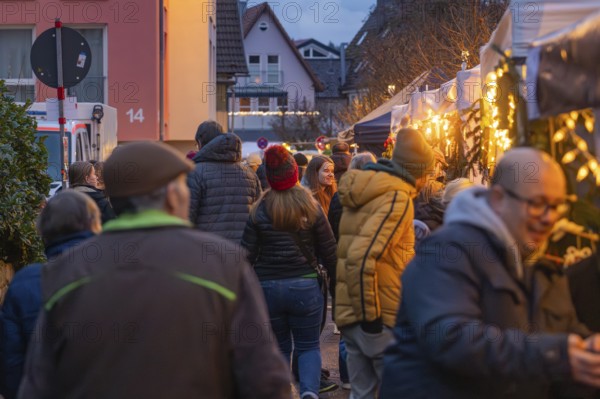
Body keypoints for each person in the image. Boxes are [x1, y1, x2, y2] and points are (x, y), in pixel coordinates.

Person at [18, 141, 291, 398]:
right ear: (172, 195)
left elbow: (38, 385)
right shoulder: (223, 264)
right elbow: (264, 380)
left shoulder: (66, 271)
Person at [381, 147, 600, 398]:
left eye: (557, 207)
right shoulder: (447, 251)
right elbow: (452, 339)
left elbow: (562, 332)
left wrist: (587, 348)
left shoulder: (533, 267)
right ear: (498, 199)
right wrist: (555, 354)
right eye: (538, 204)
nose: (549, 218)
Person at [335, 128, 434, 399]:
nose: (428, 181)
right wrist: (373, 320)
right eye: (427, 173)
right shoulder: (397, 198)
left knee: (363, 393)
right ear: (417, 171)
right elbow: (362, 257)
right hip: (378, 314)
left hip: (352, 312)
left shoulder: (370, 189)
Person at [241, 145, 337, 399]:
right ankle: (309, 392)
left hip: (268, 287)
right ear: (294, 173)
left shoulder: (259, 210)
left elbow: (245, 255)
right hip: (305, 286)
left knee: (279, 347)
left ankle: (282, 393)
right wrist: (338, 286)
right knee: (308, 346)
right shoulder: (311, 205)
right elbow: (329, 250)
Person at [0, 191, 101, 399]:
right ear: (94, 225)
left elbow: (11, 362)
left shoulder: (24, 282)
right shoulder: (114, 274)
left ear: (43, 232)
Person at [187, 121, 261, 242]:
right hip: (242, 252)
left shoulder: (195, 173)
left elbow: (187, 219)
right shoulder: (250, 175)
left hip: (208, 251)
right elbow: (258, 217)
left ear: (200, 143)